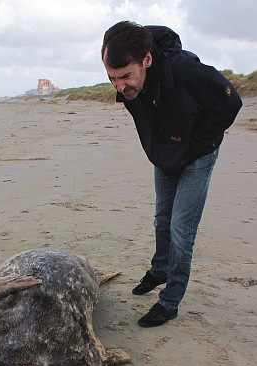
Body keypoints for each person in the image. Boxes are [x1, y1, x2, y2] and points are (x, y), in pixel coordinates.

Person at [101, 21, 242, 327]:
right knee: (162, 217)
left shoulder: (185, 70)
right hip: (166, 155)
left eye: (125, 76)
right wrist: (163, 149)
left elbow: (231, 101)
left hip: (197, 155)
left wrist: (194, 145)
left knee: (181, 230)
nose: (120, 87)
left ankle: (170, 301)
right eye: (112, 78)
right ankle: (160, 269)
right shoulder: (128, 81)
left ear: (147, 59)